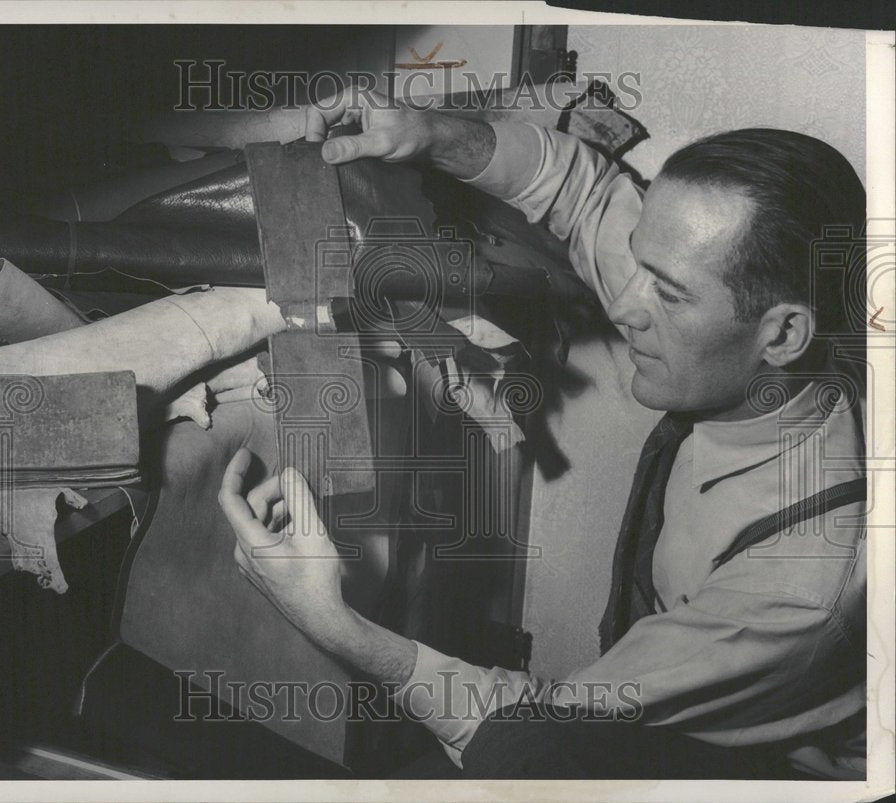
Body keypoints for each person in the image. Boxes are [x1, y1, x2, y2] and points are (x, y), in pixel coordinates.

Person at [218, 88, 868, 780]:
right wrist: (434, 134)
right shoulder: (712, 298)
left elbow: (546, 733)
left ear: (785, 334)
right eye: (638, 263)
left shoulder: (803, 580)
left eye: (667, 294)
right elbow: (583, 192)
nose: (622, 305)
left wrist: (330, 620)